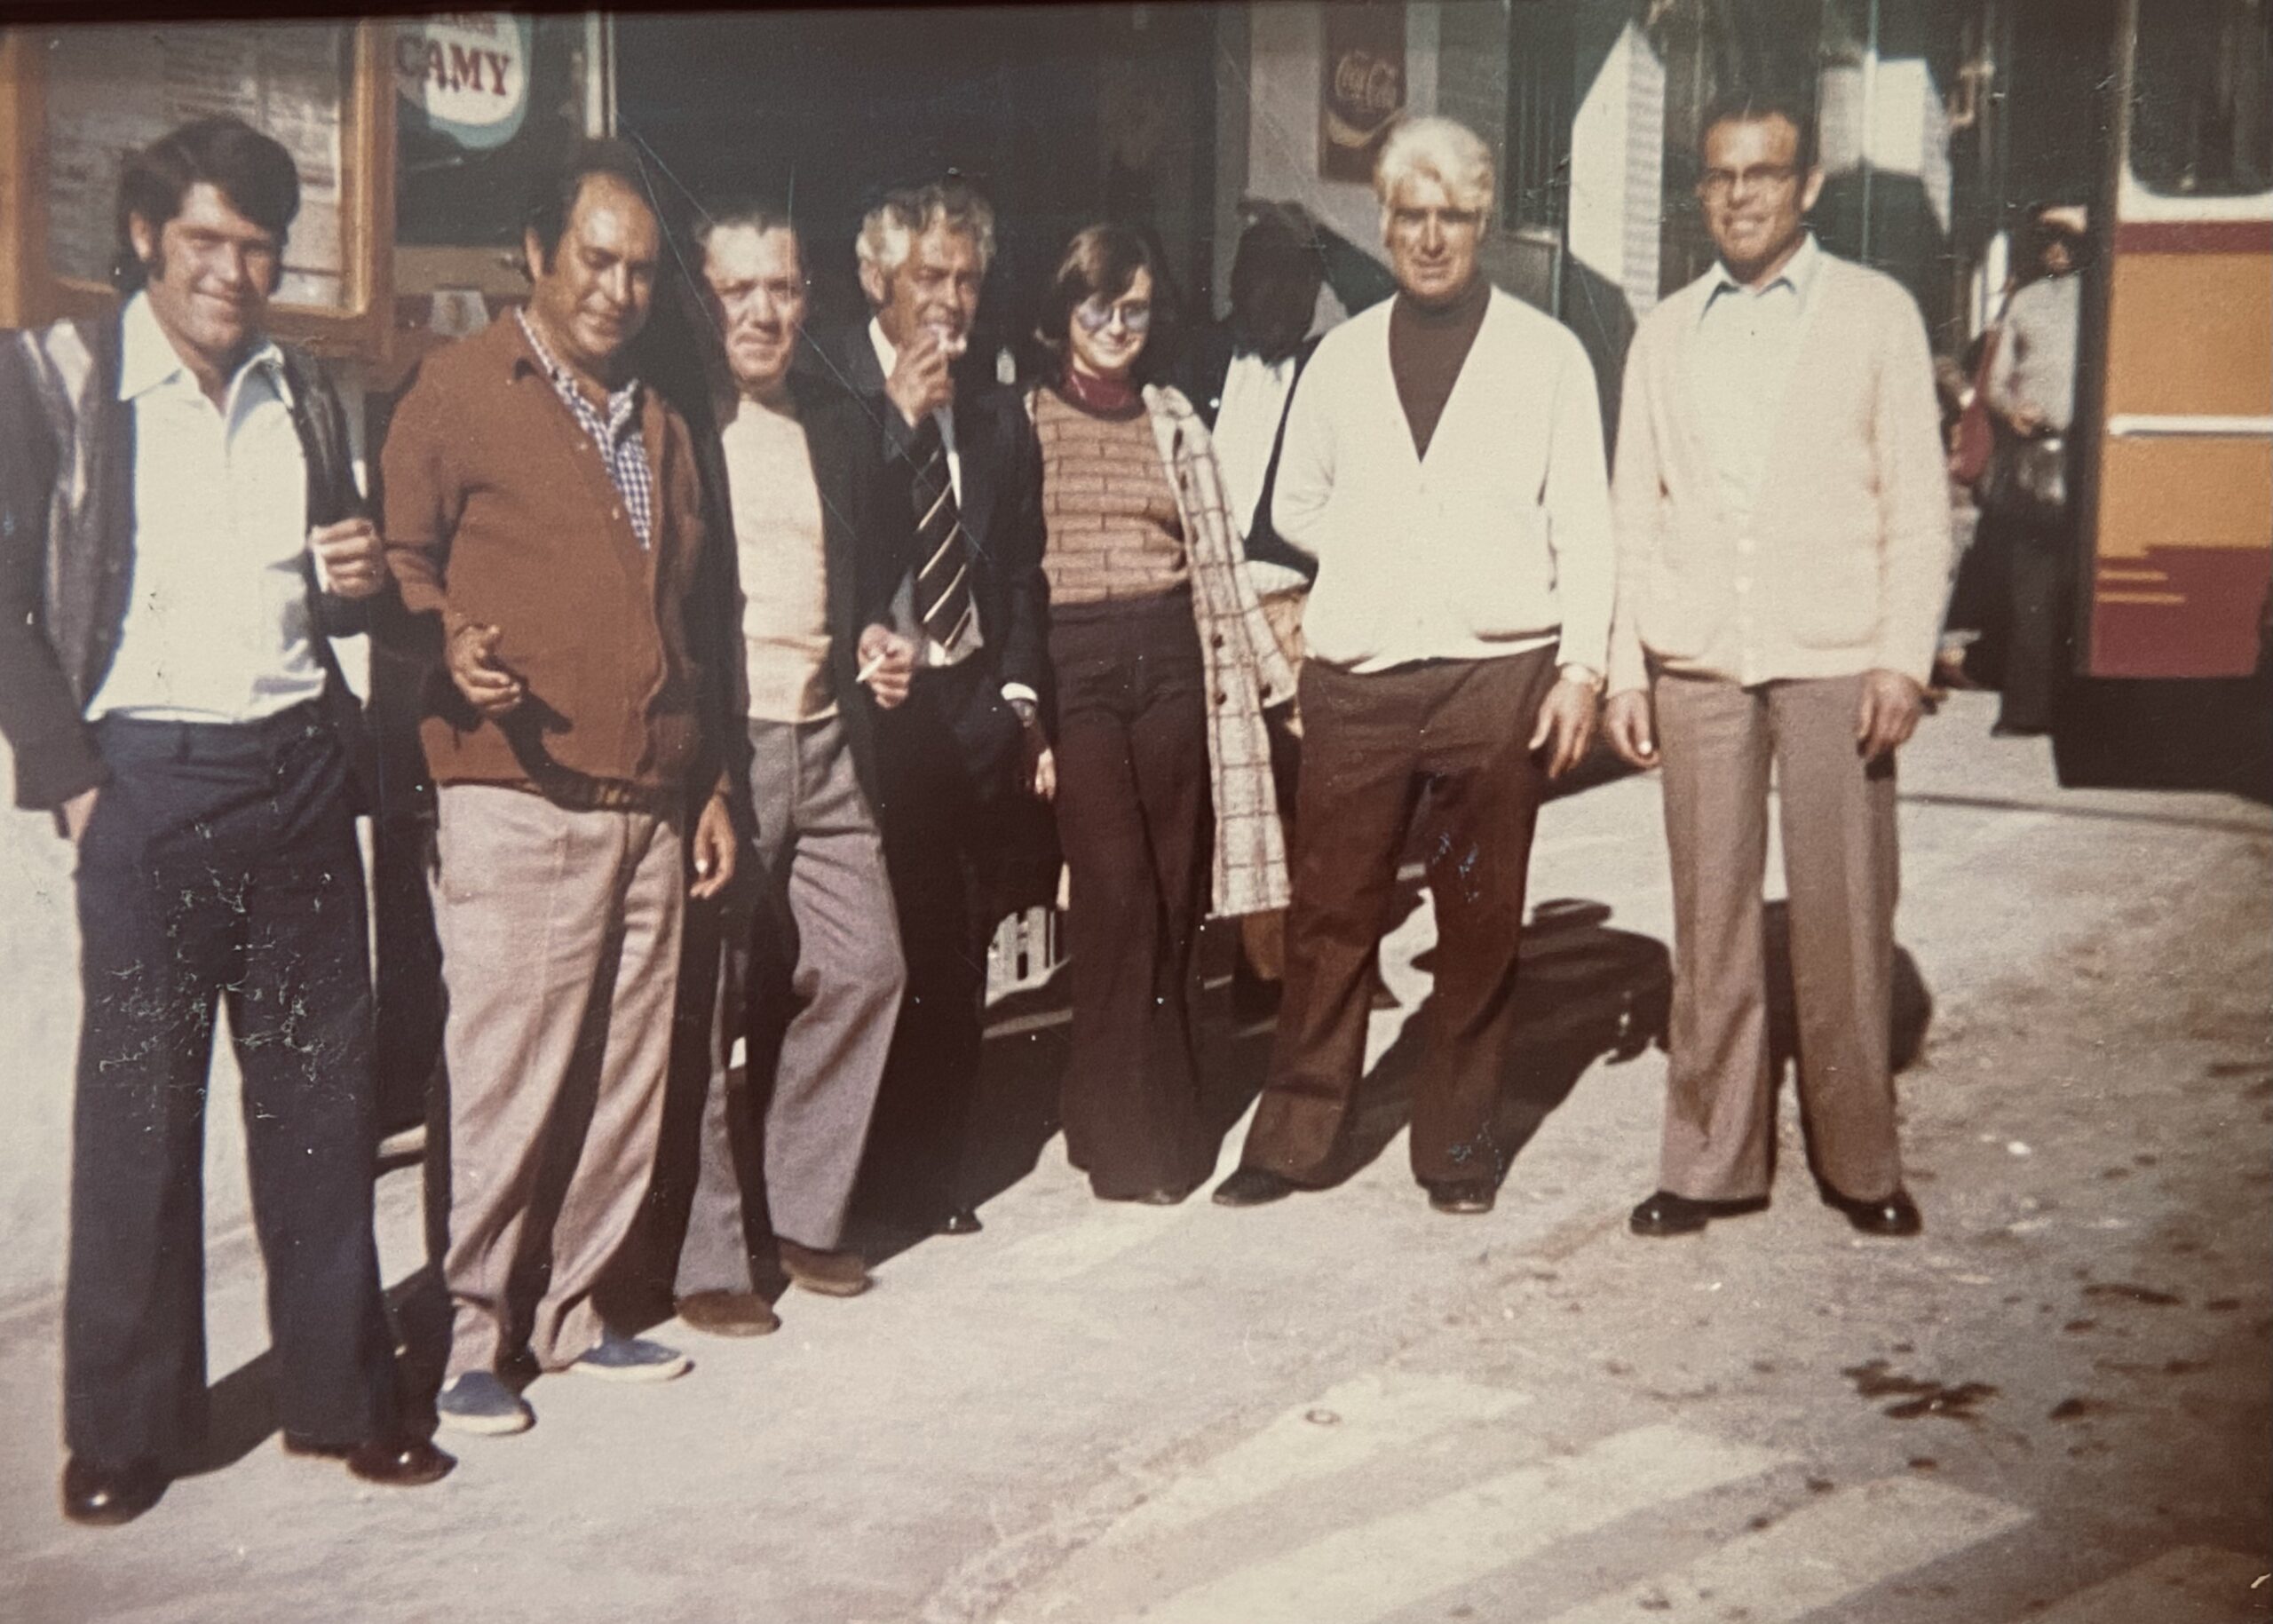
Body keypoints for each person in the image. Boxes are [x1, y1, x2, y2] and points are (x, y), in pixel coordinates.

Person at [0, 116, 452, 1525]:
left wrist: (359, 576)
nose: (233, 272)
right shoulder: (57, 382)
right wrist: (72, 779)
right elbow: (11, 603)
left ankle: (339, 1398)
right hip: (147, 786)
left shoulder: (305, 395)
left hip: (298, 778)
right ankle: (127, 1432)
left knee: (320, 1113)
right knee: (139, 1113)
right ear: (144, 238)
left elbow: (339, 596)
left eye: (258, 248)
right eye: (206, 241)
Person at [381, 140, 739, 1434]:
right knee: (507, 1080)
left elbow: (689, 619)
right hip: (514, 793)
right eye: (597, 258)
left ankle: (578, 1314)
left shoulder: (661, 418)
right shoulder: (455, 391)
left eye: (642, 269)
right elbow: (396, 567)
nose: (618, 288)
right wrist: (443, 642)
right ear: (537, 254)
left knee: (622, 1082)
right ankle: (470, 1335)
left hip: (648, 798)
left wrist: (702, 784)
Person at [1210, 116, 1613, 1217]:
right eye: (1409, 216)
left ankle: (1458, 1145)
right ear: (1382, 226)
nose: (1430, 238)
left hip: (1498, 670)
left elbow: (1585, 518)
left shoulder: (1547, 356)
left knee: (1479, 916)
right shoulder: (1340, 359)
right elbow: (1293, 504)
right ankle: (1292, 1136)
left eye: (1452, 217)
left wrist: (1582, 668)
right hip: (1363, 675)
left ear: (1480, 223)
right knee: (1331, 910)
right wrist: (1388, 553)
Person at [1603, 90, 1948, 1240]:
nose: (1741, 194)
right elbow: (1631, 514)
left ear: (1806, 186)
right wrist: (1623, 668)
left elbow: (1919, 505)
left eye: (1765, 173)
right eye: (1721, 175)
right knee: (1711, 920)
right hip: (1699, 658)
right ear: (1700, 189)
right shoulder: (1666, 331)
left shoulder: (1876, 314)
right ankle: (1707, 1162)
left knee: (1846, 914)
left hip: (1837, 659)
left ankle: (1861, 1160)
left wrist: (1901, 656)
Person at [663, 205, 915, 1335]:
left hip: (826, 743)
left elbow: (877, 579)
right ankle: (709, 1254)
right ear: (701, 296)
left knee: (867, 967)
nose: (764, 312)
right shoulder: (676, 423)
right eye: (738, 289)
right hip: (727, 752)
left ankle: (805, 1208)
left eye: (784, 287)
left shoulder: (842, 425)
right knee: (705, 1003)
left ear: (811, 297)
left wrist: (879, 639)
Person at [1027, 224, 1295, 1203]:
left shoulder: (1174, 416)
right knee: (1115, 891)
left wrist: (1271, 679)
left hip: (1174, 667)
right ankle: (1116, 1130)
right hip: (1079, 670)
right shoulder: (1026, 416)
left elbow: (1215, 559)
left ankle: (1159, 1124)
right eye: (1097, 306)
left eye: (1134, 308)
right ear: (1064, 312)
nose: (1115, 327)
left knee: (1179, 894)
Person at [835, 178, 1050, 1237]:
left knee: (956, 944)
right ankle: (847, 1174)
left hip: (966, 704)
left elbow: (1019, 573)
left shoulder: (1001, 416)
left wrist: (1016, 693)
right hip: (871, 710)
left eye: (967, 279)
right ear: (877, 278)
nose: (951, 301)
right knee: (869, 950)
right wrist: (895, 421)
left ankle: (930, 1171)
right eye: (930, 276)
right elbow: (839, 557)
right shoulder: (831, 392)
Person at [1980, 203, 2087, 736]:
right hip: (2040, 461)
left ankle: (2084, 712)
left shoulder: (2106, 294)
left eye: (2067, 238)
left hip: (2093, 455)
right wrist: (2011, 409)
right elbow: (1995, 384)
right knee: (2033, 594)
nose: (2058, 248)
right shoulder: (2024, 301)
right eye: (2048, 238)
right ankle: (2025, 712)